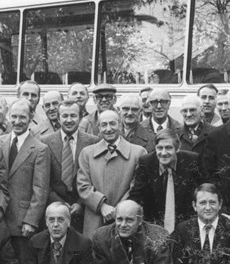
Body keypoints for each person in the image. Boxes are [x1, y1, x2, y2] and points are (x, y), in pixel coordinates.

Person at [77, 109, 147, 237]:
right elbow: (83, 186)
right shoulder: (87, 153)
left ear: (120, 125)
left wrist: (119, 210)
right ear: (98, 128)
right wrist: (102, 206)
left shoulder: (138, 153)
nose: (108, 129)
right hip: (96, 217)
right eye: (104, 125)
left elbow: (136, 187)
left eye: (113, 124)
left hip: (126, 218)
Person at [0, 99, 50, 253]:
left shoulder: (40, 149)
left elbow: (40, 189)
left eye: (22, 117)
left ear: (31, 118)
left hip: (22, 220)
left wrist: (31, 221)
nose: (17, 122)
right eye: (14, 117)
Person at [129, 129, 203, 232]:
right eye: (160, 148)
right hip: (154, 226)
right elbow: (135, 195)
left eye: (168, 148)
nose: (163, 153)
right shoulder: (146, 163)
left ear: (177, 149)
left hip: (186, 226)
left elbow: (203, 190)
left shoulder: (192, 161)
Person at [42, 99, 98, 232]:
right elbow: (43, 180)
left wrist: (80, 204)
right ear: (58, 117)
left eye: (73, 115)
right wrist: (59, 203)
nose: (69, 120)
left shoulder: (93, 142)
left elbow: (95, 178)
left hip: (84, 208)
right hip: (54, 207)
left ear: (80, 117)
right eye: (64, 116)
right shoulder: (45, 142)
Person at [175, 95, 213, 161]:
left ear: (202, 111)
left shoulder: (215, 133)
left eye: (192, 110)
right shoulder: (176, 135)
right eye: (185, 111)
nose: (188, 114)